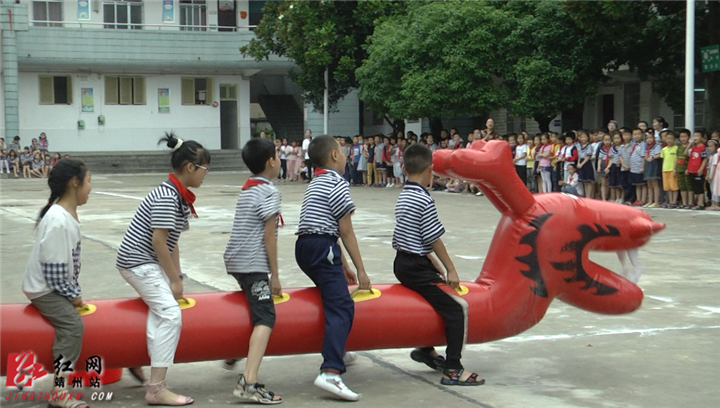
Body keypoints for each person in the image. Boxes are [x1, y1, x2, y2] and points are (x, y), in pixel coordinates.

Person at [115, 132, 210, 406]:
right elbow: (159, 241)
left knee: (161, 310)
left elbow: (172, 241)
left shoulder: (178, 195)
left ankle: (137, 362)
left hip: (145, 261)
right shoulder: (169, 196)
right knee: (170, 314)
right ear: (190, 167)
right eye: (205, 168)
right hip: (138, 261)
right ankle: (156, 389)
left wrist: (176, 278)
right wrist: (173, 279)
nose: (206, 174)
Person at [392, 143, 484, 386]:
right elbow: (433, 237)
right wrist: (450, 268)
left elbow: (409, 236)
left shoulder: (403, 195)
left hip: (404, 261)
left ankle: (425, 349)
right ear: (430, 171)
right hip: (415, 267)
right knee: (457, 308)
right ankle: (453, 368)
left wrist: (431, 263)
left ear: (404, 168)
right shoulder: (424, 199)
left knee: (436, 299)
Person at [295, 135, 371, 401]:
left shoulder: (316, 181)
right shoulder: (337, 183)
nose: (347, 155)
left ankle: (339, 349)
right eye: (343, 151)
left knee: (332, 296)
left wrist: (342, 264)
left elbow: (324, 226)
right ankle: (330, 371)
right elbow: (345, 230)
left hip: (306, 246)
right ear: (335, 156)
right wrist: (361, 270)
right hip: (321, 247)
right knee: (342, 305)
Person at [22, 159, 91, 408]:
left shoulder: (65, 215)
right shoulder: (57, 219)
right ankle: (58, 391)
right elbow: (53, 273)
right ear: (75, 183)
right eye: (88, 181)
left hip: (54, 285)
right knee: (73, 328)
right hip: (45, 289)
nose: (90, 187)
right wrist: (74, 296)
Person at [222, 138, 283, 404]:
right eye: (278, 156)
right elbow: (269, 236)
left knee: (253, 307)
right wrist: (275, 275)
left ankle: (235, 352)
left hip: (236, 260)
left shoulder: (249, 188)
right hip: (252, 264)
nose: (279, 160)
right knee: (266, 316)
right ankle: (249, 381)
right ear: (271, 161)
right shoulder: (269, 191)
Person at [686, 131, 709, 210]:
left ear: (702, 138)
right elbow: (685, 154)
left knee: (699, 187)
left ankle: (701, 203)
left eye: (697, 136)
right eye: (694, 136)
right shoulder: (693, 147)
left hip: (698, 170)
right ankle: (694, 203)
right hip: (691, 170)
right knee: (694, 187)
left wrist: (701, 169)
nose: (695, 138)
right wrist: (689, 144)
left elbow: (705, 159)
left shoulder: (703, 147)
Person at [660, 131, 679, 208]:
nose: (669, 140)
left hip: (673, 169)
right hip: (665, 170)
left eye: (671, 139)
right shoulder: (664, 149)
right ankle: (670, 201)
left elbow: (677, 159)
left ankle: (674, 201)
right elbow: (663, 159)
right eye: (668, 139)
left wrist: (675, 169)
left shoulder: (676, 148)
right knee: (668, 187)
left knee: (674, 187)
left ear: (674, 139)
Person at [643, 131, 663, 208]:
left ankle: (656, 201)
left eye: (650, 138)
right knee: (649, 184)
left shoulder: (657, 145)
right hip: (648, 164)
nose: (649, 140)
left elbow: (659, 154)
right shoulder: (646, 146)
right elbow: (644, 154)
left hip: (654, 164)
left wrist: (653, 157)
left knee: (655, 183)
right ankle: (650, 201)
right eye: (647, 138)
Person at [629, 128, 647, 206]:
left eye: (638, 134)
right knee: (636, 184)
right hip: (633, 168)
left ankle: (643, 199)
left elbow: (643, 156)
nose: (636, 136)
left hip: (640, 167)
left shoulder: (643, 144)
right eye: (635, 134)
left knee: (642, 184)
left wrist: (642, 167)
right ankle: (638, 199)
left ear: (642, 135)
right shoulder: (633, 144)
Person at [606, 132, 623, 203]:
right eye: (615, 138)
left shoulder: (623, 147)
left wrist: (621, 162)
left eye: (618, 138)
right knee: (613, 183)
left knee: (620, 183)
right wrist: (608, 167)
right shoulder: (611, 148)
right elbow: (611, 159)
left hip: (621, 166)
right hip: (613, 166)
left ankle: (621, 198)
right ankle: (615, 197)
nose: (616, 140)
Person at [576, 132, 595, 198]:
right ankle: (586, 195)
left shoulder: (589, 146)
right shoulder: (579, 146)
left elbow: (588, 156)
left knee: (588, 180)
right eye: (582, 137)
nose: (583, 138)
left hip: (586, 163)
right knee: (584, 181)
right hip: (581, 161)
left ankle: (589, 196)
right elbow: (579, 155)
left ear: (588, 138)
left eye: (585, 137)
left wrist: (582, 164)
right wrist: (578, 163)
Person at [596, 133, 613, 201]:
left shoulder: (613, 148)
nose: (607, 141)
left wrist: (608, 167)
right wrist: (598, 166)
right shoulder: (602, 149)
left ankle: (610, 197)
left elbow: (611, 158)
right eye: (605, 140)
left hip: (610, 165)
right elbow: (599, 158)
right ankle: (603, 198)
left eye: (609, 140)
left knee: (610, 183)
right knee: (603, 183)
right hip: (603, 165)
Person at [706, 139, 720, 210]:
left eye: (712, 146)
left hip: (715, 175)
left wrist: (712, 175)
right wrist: (708, 174)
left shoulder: (716, 155)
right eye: (709, 146)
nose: (710, 148)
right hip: (711, 174)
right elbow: (708, 166)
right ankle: (713, 203)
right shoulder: (710, 156)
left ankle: (716, 204)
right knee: (712, 189)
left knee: (716, 189)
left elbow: (714, 166)